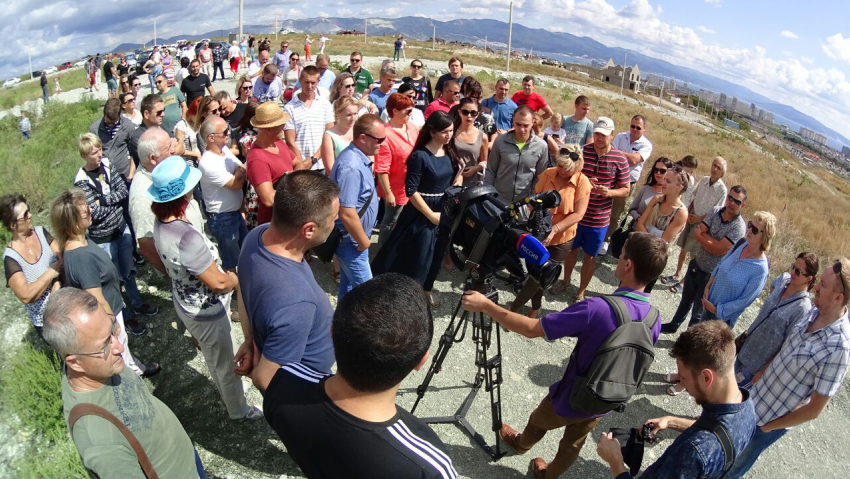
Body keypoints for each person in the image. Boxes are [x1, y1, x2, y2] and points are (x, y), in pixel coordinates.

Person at [463, 232, 667, 478]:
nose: (619, 257)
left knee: (538, 421)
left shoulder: (598, 308)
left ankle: (520, 445)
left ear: (627, 265)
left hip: (571, 397)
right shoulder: (655, 318)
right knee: (572, 446)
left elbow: (532, 329)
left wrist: (486, 305)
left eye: (621, 254)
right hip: (606, 399)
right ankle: (548, 476)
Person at [256, 273, 458, 478]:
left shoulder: (284, 384)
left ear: (332, 331)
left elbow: (263, 377)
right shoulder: (427, 466)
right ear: (420, 361)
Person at [42, 288, 206, 478]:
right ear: (74, 362)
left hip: (186, 458)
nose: (119, 347)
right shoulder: (100, 440)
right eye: (104, 345)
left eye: (112, 331)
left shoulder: (98, 363)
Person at [149, 157, 262, 421]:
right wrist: (236, 279)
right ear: (184, 194)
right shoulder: (186, 236)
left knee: (215, 355)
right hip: (206, 311)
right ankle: (239, 410)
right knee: (224, 363)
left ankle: (228, 389)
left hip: (185, 301)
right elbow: (218, 282)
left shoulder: (161, 221)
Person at [725, 258, 850, 478]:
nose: (816, 287)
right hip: (753, 398)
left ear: (838, 298)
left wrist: (770, 427)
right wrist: (762, 374)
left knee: (733, 467)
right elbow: (786, 349)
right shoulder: (814, 312)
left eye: (823, 285)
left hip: (767, 423)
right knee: (723, 449)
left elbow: (815, 409)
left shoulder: (838, 348)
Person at [596, 320, 756, 479]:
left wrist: (616, 462)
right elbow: (719, 431)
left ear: (706, 378)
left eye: (684, 378)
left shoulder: (692, 452)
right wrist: (670, 421)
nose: (682, 384)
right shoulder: (746, 407)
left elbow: (705, 443)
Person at [235, 170, 339, 378]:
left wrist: (249, 341)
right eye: (333, 218)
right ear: (309, 230)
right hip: (306, 387)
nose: (335, 223)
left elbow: (242, 288)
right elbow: (264, 379)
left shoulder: (258, 235)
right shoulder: (297, 302)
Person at [50, 189, 157, 377]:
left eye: (89, 207)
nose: (91, 211)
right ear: (72, 223)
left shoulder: (82, 240)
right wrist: (112, 324)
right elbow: (96, 297)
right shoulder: (81, 256)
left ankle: (134, 367)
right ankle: (135, 376)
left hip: (114, 305)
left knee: (124, 352)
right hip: (109, 314)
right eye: (86, 212)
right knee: (120, 353)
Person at [372, 111, 460, 308]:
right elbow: (411, 190)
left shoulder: (450, 151)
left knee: (437, 254)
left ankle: (426, 288)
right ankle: (407, 291)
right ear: (432, 131)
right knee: (419, 256)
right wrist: (431, 216)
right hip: (421, 212)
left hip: (443, 209)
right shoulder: (419, 156)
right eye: (445, 131)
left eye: (451, 131)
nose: (449, 135)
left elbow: (456, 176)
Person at [73, 133, 158, 326]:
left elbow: (122, 192)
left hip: (122, 229)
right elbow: (93, 212)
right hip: (103, 239)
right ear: (84, 156)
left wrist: (102, 200)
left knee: (129, 271)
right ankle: (125, 315)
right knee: (114, 279)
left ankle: (137, 302)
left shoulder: (107, 164)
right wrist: (108, 202)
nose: (98, 154)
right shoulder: (81, 182)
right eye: (93, 152)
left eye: (99, 149)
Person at [510, 146, 589, 318]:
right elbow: (536, 197)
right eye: (559, 165)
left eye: (566, 168)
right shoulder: (548, 173)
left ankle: (512, 311)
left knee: (537, 276)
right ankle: (535, 308)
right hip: (539, 234)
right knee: (536, 273)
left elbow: (579, 214)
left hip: (562, 240)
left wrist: (555, 229)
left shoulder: (583, 182)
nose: (560, 170)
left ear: (577, 166)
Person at [560, 117, 630, 302]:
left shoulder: (620, 159)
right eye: (597, 134)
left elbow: (626, 189)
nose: (599, 138)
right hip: (577, 215)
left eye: (604, 135)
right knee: (570, 250)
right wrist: (585, 182)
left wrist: (609, 192)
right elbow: (569, 174)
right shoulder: (583, 152)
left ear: (612, 135)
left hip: (599, 220)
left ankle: (581, 291)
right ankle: (565, 281)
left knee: (590, 257)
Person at [661, 185, 747, 334]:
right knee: (685, 300)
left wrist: (706, 238)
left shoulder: (739, 227)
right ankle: (673, 325)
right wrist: (712, 241)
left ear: (742, 205)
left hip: (712, 275)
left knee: (698, 312)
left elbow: (719, 249)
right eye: (730, 198)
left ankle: (688, 341)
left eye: (737, 201)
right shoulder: (715, 211)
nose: (732, 203)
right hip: (697, 263)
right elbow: (697, 233)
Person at [733, 252, 817, 389]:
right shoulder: (783, 280)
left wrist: (763, 371)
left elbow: (786, 347)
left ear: (809, 278)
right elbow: (773, 287)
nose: (793, 272)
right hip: (745, 348)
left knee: (731, 399)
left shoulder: (803, 309)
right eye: (793, 267)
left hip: (756, 365)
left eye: (798, 271)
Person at [128, 127, 200, 279]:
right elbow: (146, 245)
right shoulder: (142, 195)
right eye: (169, 148)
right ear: (153, 158)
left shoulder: (167, 171)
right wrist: (174, 275)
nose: (174, 150)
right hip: (187, 271)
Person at [330, 114, 383, 299]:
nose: (382, 143)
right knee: (369, 296)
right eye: (379, 139)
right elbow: (347, 212)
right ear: (362, 138)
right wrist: (363, 242)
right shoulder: (351, 166)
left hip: (354, 240)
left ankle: (339, 325)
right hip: (352, 242)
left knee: (349, 289)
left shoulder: (358, 159)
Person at [661, 157, 728, 293]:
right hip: (691, 217)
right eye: (714, 165)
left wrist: (699, 219)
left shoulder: (722, 190)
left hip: (703, 224)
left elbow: (716, 212)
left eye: (718, 168)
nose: (714, 169)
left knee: (693, 254)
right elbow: (694, 197)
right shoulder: (703, 180)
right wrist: (689, 212)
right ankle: (677, 274)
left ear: (722, 173)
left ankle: (685, 281)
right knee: (683, 249)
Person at [2, 194, 61, 337]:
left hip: (64, 301)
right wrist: (51, 272)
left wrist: (56, 285)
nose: (31, 215)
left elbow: (61, 259)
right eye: (25, 214)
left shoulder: (41, 232)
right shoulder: (11, 259)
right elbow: (26, 296)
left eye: (28, 210)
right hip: (47, 321)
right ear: (12, 225)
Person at [198, 116, 247, 271]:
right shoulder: (208, 163)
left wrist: (238, 171)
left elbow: (240, 168)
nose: (229, 134)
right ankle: (234, 291)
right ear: (211, 138)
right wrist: (238, 171)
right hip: (223, 218)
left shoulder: (223, 150)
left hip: (235, 213)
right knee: (231, 260)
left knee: (243, 253)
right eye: (225, 132)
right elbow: (237, 183)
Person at [246, 102, 306, 226]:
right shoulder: (257, 159)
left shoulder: (278, 143)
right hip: (275, 224)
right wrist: (294, 188)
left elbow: (298, 163)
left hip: (288, 219)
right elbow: (268, 199)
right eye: (280, 124)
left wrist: (291, 179)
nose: (284, 127)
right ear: (268, 129)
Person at [372, 93, 420, 249]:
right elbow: (382, 168)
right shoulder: (385, 135)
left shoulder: (412, 128)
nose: (410, 114)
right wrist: (388, 193)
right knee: (390, 221)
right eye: (407, 111)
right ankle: (383, 251)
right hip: (396, 187)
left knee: (405, 220)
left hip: (412, 184)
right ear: (394, 111)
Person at [633, 164, 688, 293]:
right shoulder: (657, 199)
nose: (663, 183)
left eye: (668, 181)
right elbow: (640, 223)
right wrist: (653, 232)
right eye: (664, 179)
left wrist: (648, 228)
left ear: (679, 187)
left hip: (654, 258)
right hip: (639, 249)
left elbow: (663, 241)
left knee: (641, 292)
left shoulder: (681, 213)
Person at [606, 115, 654, 245]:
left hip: (627, 182)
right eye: (632, 126)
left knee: (616, 212)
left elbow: (634, 160)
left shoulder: (647, 145)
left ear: (644, 128)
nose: (634, 129)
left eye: (638, 127)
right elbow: (610, 153)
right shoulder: (621, 136)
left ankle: (607, 239)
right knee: (602, 207)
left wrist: (619, 153)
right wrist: (627, 156)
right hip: (611, 177)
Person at [484, 106, 548, 203]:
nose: (521, 129)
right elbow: (491, 170)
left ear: (532, 123)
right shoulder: (500, 141)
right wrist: (489, 195)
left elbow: (540, 177)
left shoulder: (541, 146)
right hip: (499, 199)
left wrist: (532, 198)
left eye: (526, 125)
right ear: (513, 121)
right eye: (518, 124)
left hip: (524, 202)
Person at [283, 66, 335, 173]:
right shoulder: (289, 108)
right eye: (306, 82)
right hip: (300, 165)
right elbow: (290, 141)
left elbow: (329, 135)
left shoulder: (325, 105)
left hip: (322, 164)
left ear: (318, 82)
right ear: (300, 80)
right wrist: (300, 163)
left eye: (313, 82)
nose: (309, 86)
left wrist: (314, 159)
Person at [88, 99, 136, 181]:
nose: (110, 125)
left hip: (124, 174)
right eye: (108, 122)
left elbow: (134, 153)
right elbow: (90, 155)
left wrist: (131, 175)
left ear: (119, 114)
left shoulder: (128, 126)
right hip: (103, 176)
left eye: (113, 122)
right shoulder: (94, 129)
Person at [453, 97, 489, 186]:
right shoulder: (451, 132)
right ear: (459, 112)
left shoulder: (482, 136)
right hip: (450, 179)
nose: (469, 116)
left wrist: (476, 168)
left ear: (477, 114)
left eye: (473, 113)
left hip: (470, 182)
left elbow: (484, 160)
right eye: (465, 112)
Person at [320, 96, 358, 178]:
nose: (353, 118)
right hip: (341, 181)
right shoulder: (329, 136)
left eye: (355, 114)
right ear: (337, 113)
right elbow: (330, 169)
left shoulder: (359, 130)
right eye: (349, 115)